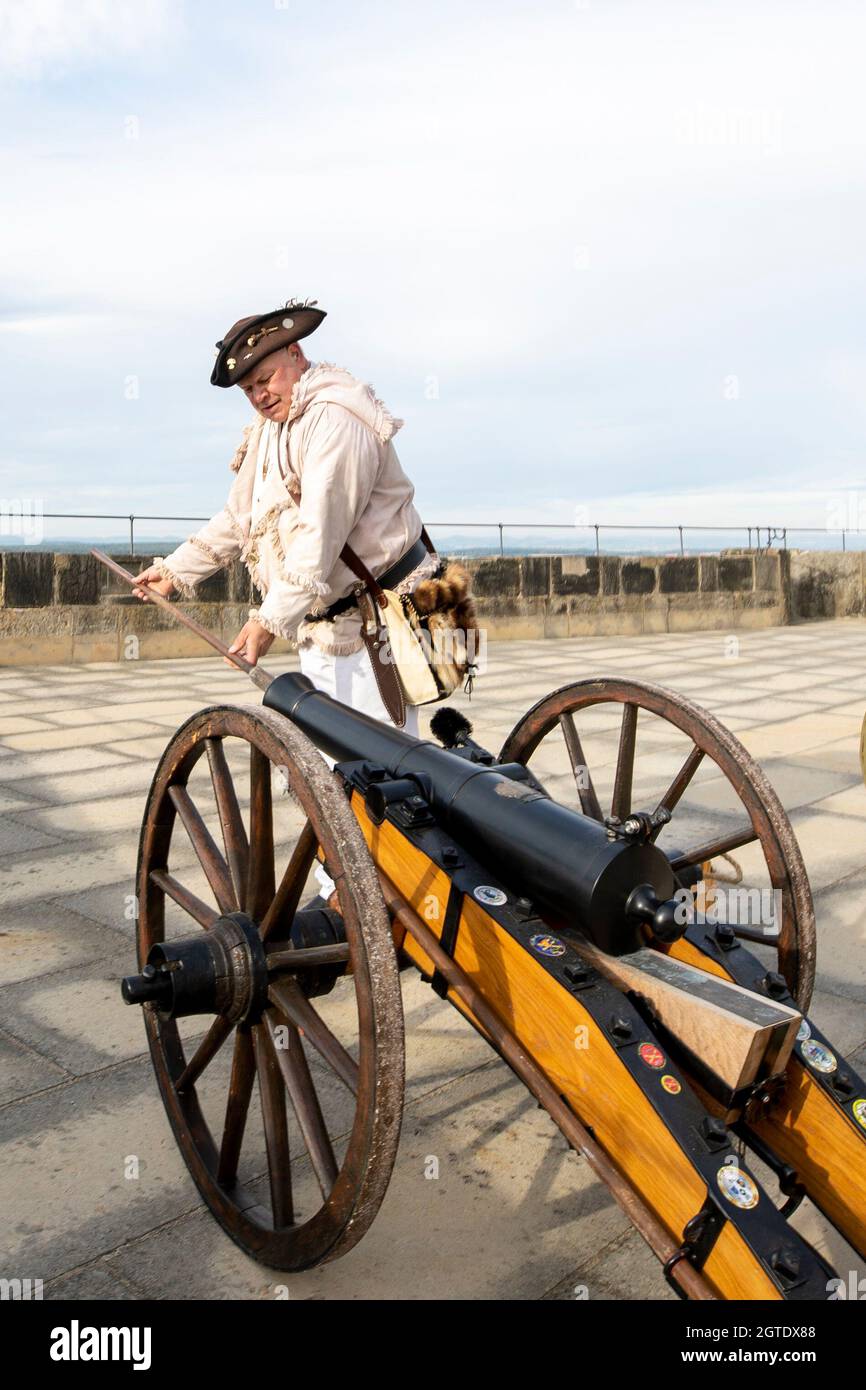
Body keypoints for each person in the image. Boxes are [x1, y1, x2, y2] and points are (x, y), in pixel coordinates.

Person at [132, 299, 439, 737]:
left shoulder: (336, 418)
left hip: (376, 627)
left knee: (379, 769)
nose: (260, 397)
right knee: (333, 767)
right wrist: (174, 571)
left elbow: (320, 536)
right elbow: (242, 517)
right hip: (323, 622)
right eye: (249, 390)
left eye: (265, 379)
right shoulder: (273, 425)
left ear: (295, 354)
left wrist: (267, 622)